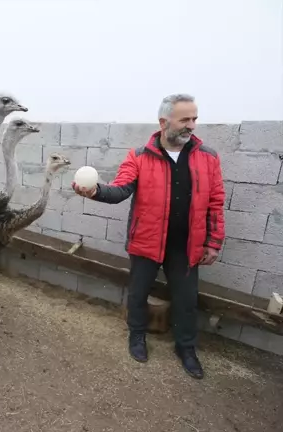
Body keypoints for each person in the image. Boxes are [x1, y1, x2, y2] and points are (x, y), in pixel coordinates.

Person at [72, 93, 225, 380]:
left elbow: (215, 202)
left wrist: (213, 242)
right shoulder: (140, 156)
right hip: (146, 241)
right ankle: (137, 336)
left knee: (186, 300)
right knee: (139, 294)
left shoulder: (209, 157)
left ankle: (186, 348)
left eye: (194, 118)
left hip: (187, 246)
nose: (192, 125)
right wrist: (95, 191)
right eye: (185, 119)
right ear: (164, 122)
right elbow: (120, 189)